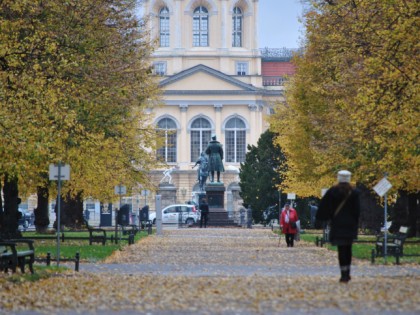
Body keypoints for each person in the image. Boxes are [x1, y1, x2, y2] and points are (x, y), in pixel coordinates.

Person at [316, 170, 361, 283]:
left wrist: (324, 218)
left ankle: (343, 274)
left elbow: (324, 206)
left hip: (337, 224)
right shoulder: (354, 192)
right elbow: (357, 210)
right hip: (350, 224)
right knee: (348, 248)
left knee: (341, 249)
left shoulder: (333, 192)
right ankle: (347, 272)